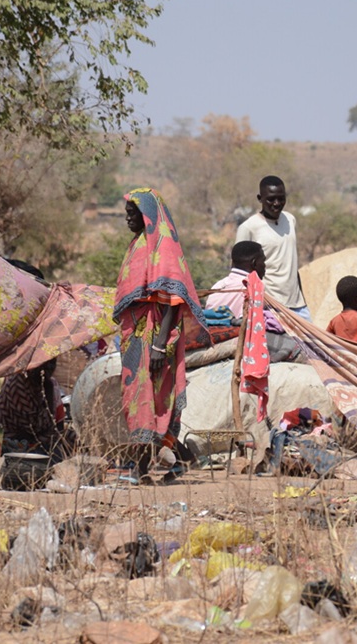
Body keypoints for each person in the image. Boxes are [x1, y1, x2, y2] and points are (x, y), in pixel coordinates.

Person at [114, 188, 207, 483]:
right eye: (127, 213)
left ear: (149, 215)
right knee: (148, 398)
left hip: (153, 336)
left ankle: (140, 469)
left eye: (134, 214)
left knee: (144, 398)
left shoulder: (163, 246)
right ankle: (181, 458)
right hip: (137, 334)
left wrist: (157, 345)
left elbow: (172, 299)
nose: (128, 219)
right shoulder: (140, 242)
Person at [235, 175, 311, 320]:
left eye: (281, 198)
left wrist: (302, 298)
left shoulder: (290, 220)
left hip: (298, 305)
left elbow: (291, 263)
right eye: (271, 199)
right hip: (269, 307)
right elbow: (239, 273)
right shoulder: (249, 228)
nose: (276, 203)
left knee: (311, 342)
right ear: (260, 198)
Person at [0, 358, 75, 462]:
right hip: (17, 441)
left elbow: (58, 424)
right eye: (43, 364)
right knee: (54, 455)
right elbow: (32, 430)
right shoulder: (18, 384)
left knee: (75, 439)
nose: (48, 368)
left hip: (40, 437)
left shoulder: (49, 383)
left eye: (52, 364)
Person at [205, 240, 266, 319]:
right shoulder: (254, 288)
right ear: (254, 263)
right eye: (263, 261)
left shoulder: (217, 286)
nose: (264, 266)